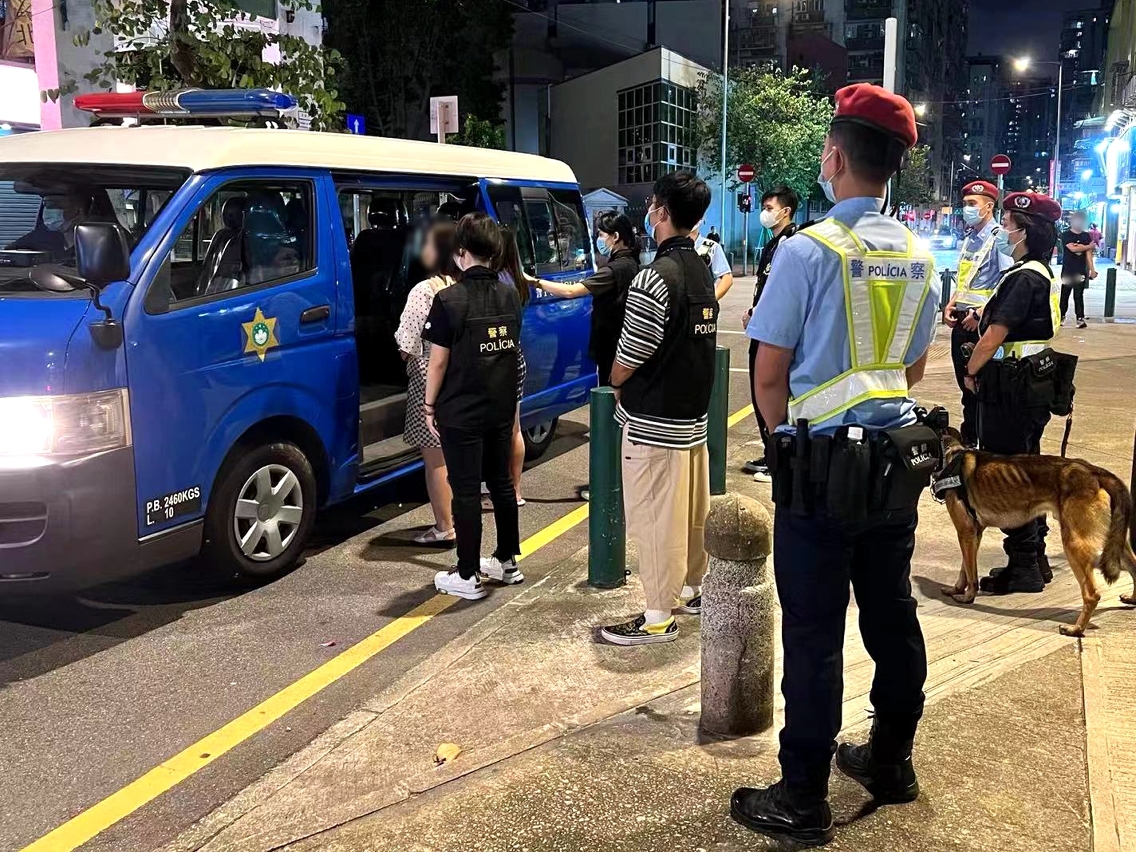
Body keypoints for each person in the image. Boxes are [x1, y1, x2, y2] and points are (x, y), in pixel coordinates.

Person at [736, 84, 940, 846]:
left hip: (820, 476)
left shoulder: (806, 251)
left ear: (834, 156)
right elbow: (912, 371)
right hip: (892, 471)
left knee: (815, 634)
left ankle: (802, 796)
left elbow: (767, 377)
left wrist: (784, 450)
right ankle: (891, 761)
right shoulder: (920, 256)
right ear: (892, 166)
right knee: (892, 617)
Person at [599, 170, 717, 646]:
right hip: (692, 419)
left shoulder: (655, 277)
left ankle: (656, 617)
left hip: (653, 423)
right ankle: (692, 590)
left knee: (653, 520)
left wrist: (615, 380)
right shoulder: (702, 270)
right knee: (689, 515)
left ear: (662, 212)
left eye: (652, 205)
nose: (648, 212)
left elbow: (632, 352)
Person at [963, 192, 1063, 594]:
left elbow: (994, 336)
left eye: (1007, 224)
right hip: (1030, 386)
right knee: (1029, 471)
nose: (1003, 230)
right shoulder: (1038, 271)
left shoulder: (1025, 277)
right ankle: (1035, 558)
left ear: (1026, 231)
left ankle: (1023, 565)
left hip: (1011, 389)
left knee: (1007, 476)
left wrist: (971, 370)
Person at [424, 213, 524, 601]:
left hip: (461, 410)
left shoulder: (448, 299)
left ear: (461, 251)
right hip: (500, 406)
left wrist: (429, 406)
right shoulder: (510, 295)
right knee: (501, 482)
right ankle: (507, 562)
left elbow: (438, 362)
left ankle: (467, 575)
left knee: (465, 489)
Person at [394, 220, 459, 544]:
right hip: (463, 380)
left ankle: (445, 527)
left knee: (436, 459)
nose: (425, 249)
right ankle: (460, 519)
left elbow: (407, 344)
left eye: (430, 243)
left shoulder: (425, 290)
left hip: (429, 381)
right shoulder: (466, 284)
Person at [941, 180, 1012, 446]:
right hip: (962, 321)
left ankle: (980, 443)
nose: (967, 209)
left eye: (973, 204)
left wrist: (981, 312)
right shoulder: (970, 238)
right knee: (965, 386)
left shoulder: (1000, 238)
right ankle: (970, 439)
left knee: (981, 387)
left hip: (982, 325)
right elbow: (966, 280)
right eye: (965, 204)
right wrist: (950, 304)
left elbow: (1008, 282)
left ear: (989, 207)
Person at [536, 211, 641, 386]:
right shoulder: (632, 263)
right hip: (622, 346)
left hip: (611, 347)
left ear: (615, 237)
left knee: (609, 392)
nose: (598, 240)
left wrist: (534, 282)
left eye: (601, 235)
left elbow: (570, 291)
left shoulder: (613, 270)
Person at [742, 185, 799, 483]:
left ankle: (780, 459)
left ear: (785, 211)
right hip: (763, 326)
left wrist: (758, 314)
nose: (764, 213)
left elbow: (781, 291)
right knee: (758, 393)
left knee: (772, 392)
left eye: (769, 208)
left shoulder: (791, 243)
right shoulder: (773, 243)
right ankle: (771, 452)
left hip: (775, 332)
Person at [8, 192, 92, 257]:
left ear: (79, 210)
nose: (49, 211)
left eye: (55, 205)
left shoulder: (94, 246)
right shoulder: (39, 239)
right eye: (46, 205)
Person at [1059, 209, 1095, 329]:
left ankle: (1080, 318)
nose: (1079, 222)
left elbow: (1088, 254)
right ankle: (1061, 316)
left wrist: (1092, 270)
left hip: (1081, 271)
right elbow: (1073, 248)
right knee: (1065, 293)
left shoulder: (1086, 236)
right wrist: (1087, 246)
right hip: (1067, 271)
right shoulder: (1066, 235)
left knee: (1079, 295)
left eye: (1082, 220)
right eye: (1077, 219)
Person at [692, 220, 735, 300]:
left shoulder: (710, 246)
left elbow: (727, 278)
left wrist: (711, 300)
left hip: (701, 302)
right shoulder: (670, 246)